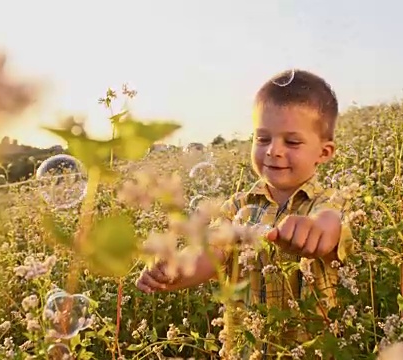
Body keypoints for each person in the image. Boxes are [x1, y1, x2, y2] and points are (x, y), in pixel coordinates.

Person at [136, 69, 355, 357]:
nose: (273, 151)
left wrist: (315, 231)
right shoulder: (237, 207)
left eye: (292, 142)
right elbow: (210, 256)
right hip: (245, 350)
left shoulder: (329, 202)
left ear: (324, 153)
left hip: (309, 350)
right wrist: (174, 272)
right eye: (263, 139)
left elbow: (329, 228)